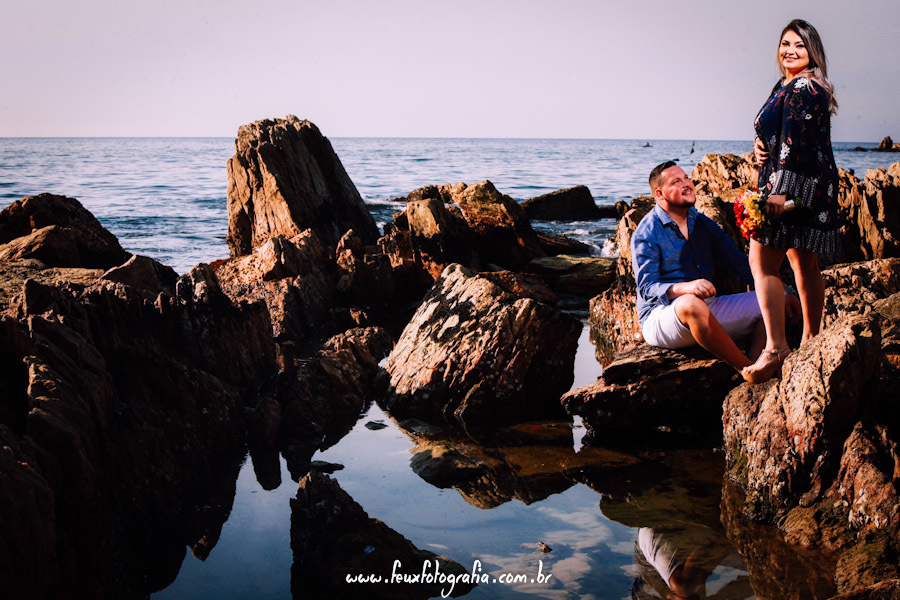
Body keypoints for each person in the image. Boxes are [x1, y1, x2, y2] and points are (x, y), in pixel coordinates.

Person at [743, 19, 840, 383]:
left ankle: (775, 349)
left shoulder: (803, 86)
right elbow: (784, 132)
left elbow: (796, 144)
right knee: (803, 263)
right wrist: (760, 147)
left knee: (761, 261)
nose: (790, 51)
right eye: (786, 43)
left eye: (800, 45)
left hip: (793, 186)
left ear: (812, 52)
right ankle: (810, 340)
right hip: (807, 183)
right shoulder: (788, 85)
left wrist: (781, 189)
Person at [632, 161, 788, 371]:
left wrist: (785, 290)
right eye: (676, 182)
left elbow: (738, 263)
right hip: (659, 316)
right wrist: (686, 288)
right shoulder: (646, 232)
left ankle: (761, 366)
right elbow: (647, 288)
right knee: (691, 303)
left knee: (776, 300)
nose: (686, 184)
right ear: (660, 194)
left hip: (707, 308)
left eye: (687, 178)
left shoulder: (703, 224)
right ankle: (746, 369)